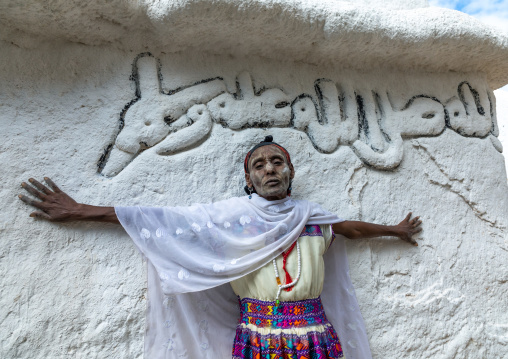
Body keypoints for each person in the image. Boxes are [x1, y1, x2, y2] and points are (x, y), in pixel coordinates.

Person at [18, 135, 422, 359]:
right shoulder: (231, 219)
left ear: (291, 171)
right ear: (249, 179)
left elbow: (350, 229)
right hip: (259, 338)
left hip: (316, 337)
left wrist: (395, 230)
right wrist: (82, 211)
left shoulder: (312, 218)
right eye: (259, 165)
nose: (269, 169)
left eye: (277, 162)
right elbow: (165, 222)